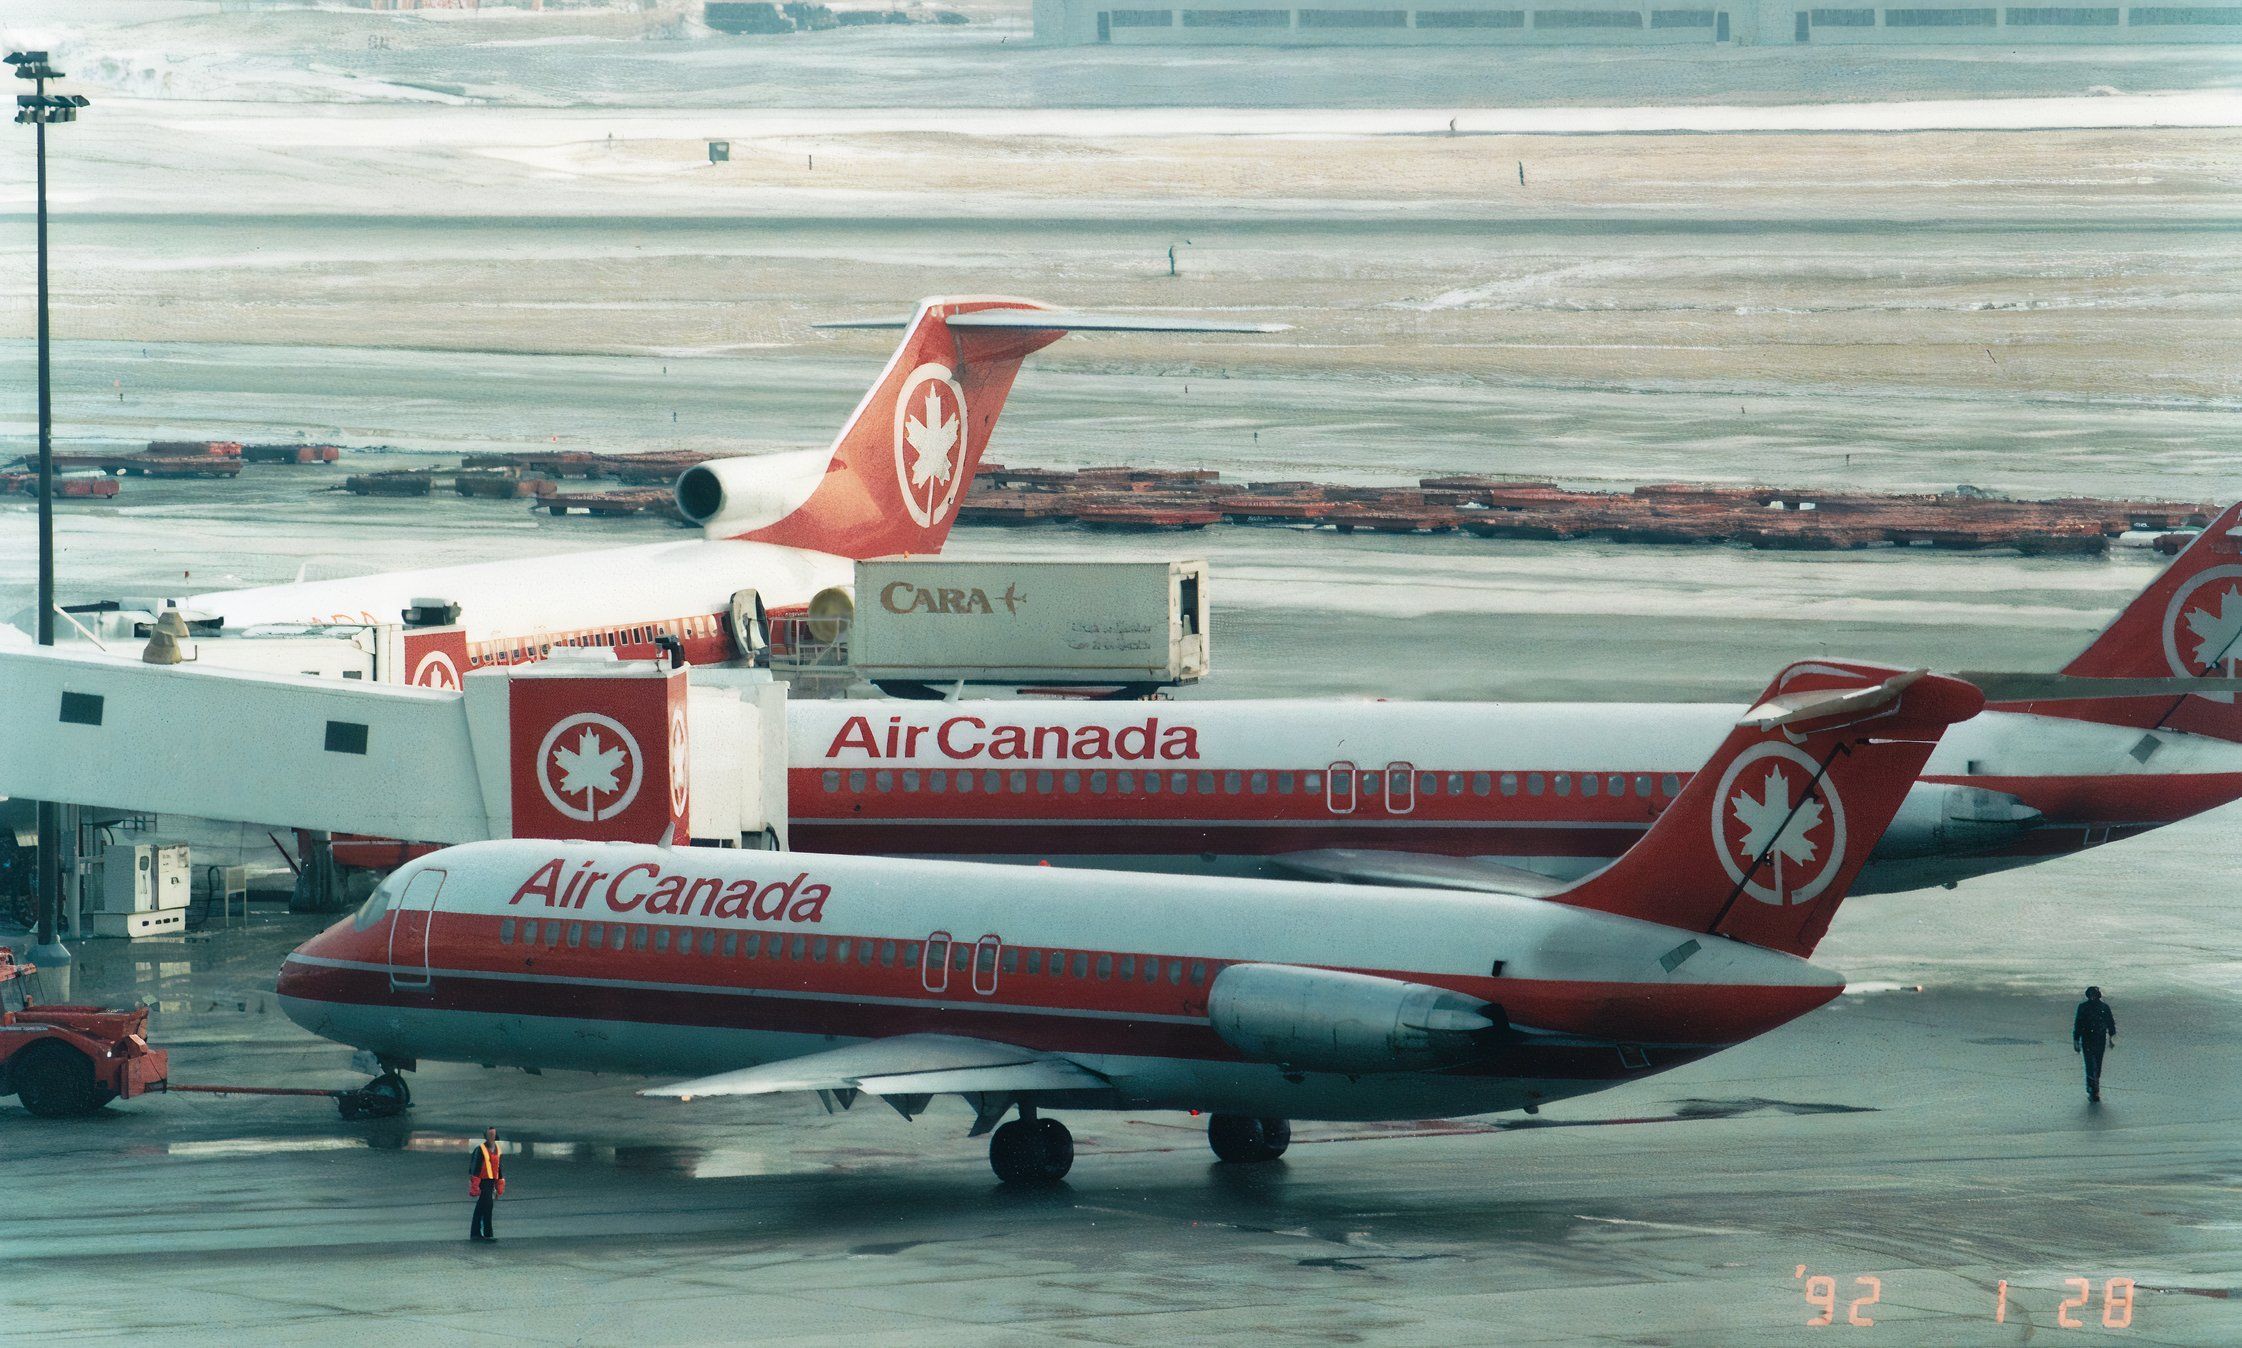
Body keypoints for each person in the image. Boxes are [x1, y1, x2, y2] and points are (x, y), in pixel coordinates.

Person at [2072, 987, 2117, 1102]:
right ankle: (2093, 1089)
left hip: (2099, 1039)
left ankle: (2094, 1086)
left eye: (2094, 995)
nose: (2093, 997)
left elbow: (2110, 1022)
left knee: (2097, 1064)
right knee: (2090, 1065)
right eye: (2091, 995)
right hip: (2087, 1038)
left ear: (2098, 995)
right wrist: (2076, 1039)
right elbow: (2078, 1023)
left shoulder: (2103, 1007)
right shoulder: (2084, 1007)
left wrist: (2111, 1037)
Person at [468, 1126, 505, 1242]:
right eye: (490, 1135)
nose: (492, 1137)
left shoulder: (497, 1149)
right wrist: (475, 1185)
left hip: (491, 1181)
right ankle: (482, 1233)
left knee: (485, 1207)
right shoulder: (480, 1149)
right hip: (482, 1181)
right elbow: (475, 1167)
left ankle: (481, 1233)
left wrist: (499, 1184)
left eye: (493, 1135)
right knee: (485, 1206)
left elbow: (498, 1167)